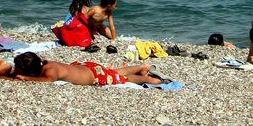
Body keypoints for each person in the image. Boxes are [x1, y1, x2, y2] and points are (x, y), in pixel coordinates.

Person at [12, 51, 164, 86]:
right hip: (89, 67)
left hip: (95, 76)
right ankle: (141, 67)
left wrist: (26, 78)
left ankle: (149, 79)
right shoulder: (46, 63)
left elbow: (48, 80)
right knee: (113, 73)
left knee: (122, 79)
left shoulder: (49, 71)